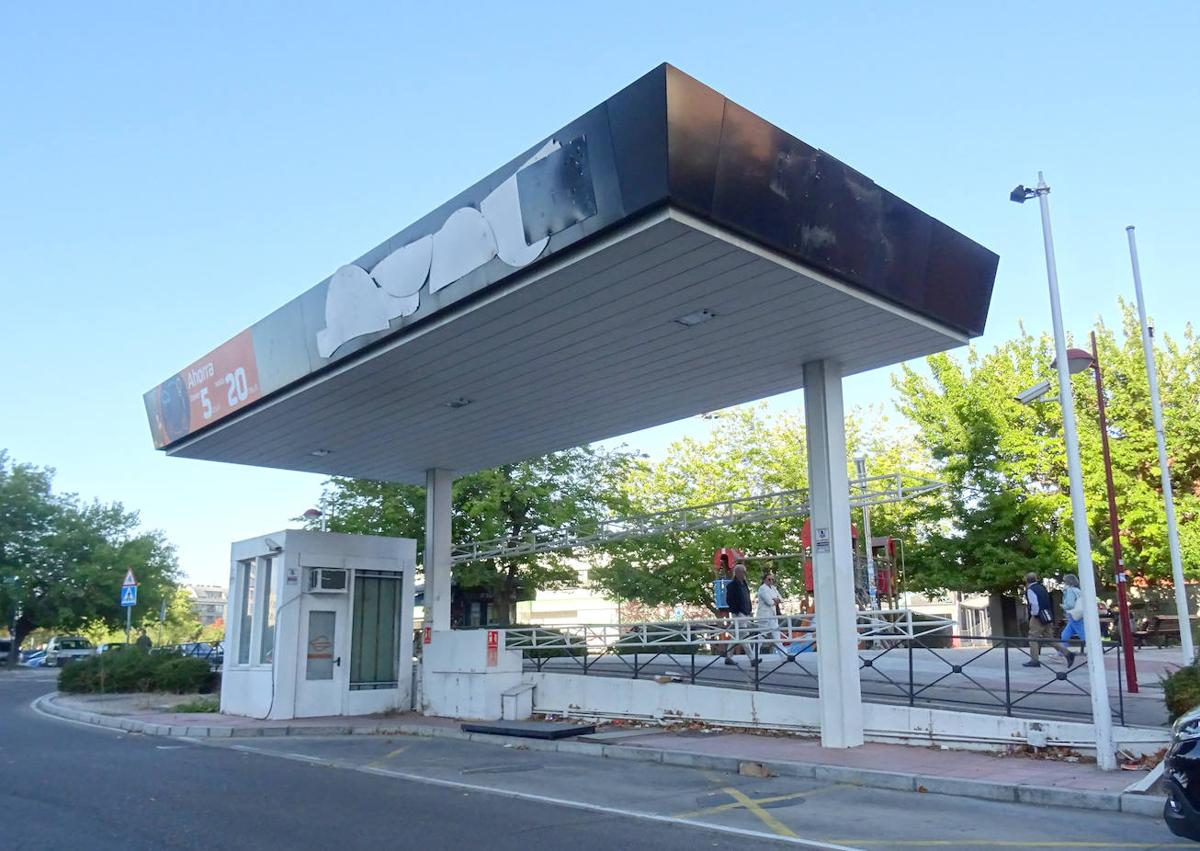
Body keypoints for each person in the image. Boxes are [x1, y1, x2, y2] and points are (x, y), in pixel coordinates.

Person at [1025, 572, 1071, 667]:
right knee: (1049, 638)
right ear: (1036, 579)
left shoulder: (1031, 590)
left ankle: (1034, 660)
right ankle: (1068, 653)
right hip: (1047, 615)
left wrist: (1034, 615)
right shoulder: (1042, 588)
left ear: (1027, 580)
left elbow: (1034, 604)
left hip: (1038, 617)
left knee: (1033, 638)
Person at [724, 563, 759, 667]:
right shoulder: (732, 585)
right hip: (739, 613)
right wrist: (737, 611)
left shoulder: (744, 584)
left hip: (745, 613)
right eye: (743, 572)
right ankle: (752, 658)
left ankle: (728, 657)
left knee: (736, 635)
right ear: (738, 572)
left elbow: (746, 598)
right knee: (743, 635)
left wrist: (749, 610)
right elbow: (729, 600)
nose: (745, 574)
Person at [756, 572, 787, 654]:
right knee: (761, 637)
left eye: (772, 579)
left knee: (777, 635)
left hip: (772, 616)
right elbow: (769, 602)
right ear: (764, 580)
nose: (771, 581)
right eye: (769, 579)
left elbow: (781, 599)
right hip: (764, 616)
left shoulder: (773, 588)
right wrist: (776, 600)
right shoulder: (762, 588)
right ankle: (754, 655)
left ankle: (783, 654)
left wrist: (775, 600)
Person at [1059, 574, 1084, 661]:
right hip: (1079, 614)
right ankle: (1061, 651)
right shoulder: (1078, 590)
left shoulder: (1069, 590)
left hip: (1073, 614)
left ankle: (1096, 649)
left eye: (1064, 581)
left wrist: (1063, 606)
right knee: (1065, 634)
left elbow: (1070, 605)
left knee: (1083, 634)